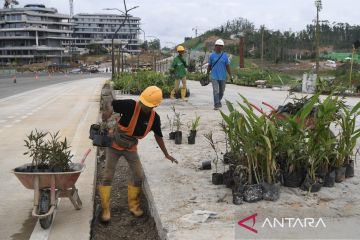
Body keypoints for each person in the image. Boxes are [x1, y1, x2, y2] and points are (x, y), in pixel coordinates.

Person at [98, 86, 178, 223]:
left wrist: (166, 154)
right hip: (114, 145)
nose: (143, 106)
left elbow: (159, 136)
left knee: (138, 175)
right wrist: (107, 112)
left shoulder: (154, 119)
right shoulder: (130, 105)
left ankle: (133, 205)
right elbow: (110, 104)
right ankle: (105, 209)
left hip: (131, 148)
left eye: (147, 105)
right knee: (108, 176)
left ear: (154, 106)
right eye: (142, 102)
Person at [206, 39, 233, 110]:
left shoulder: (225, 56)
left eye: (221, 46)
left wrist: (230, 75)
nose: (220, 47)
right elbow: (209, 65)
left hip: (223, 76)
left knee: (222, 91)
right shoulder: (212, 56)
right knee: (215, 90)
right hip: (214, 76)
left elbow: (227, 66)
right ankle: (216, 104)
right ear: (215, 46)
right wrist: (207, 74)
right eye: (218, 46)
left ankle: (218, 101)